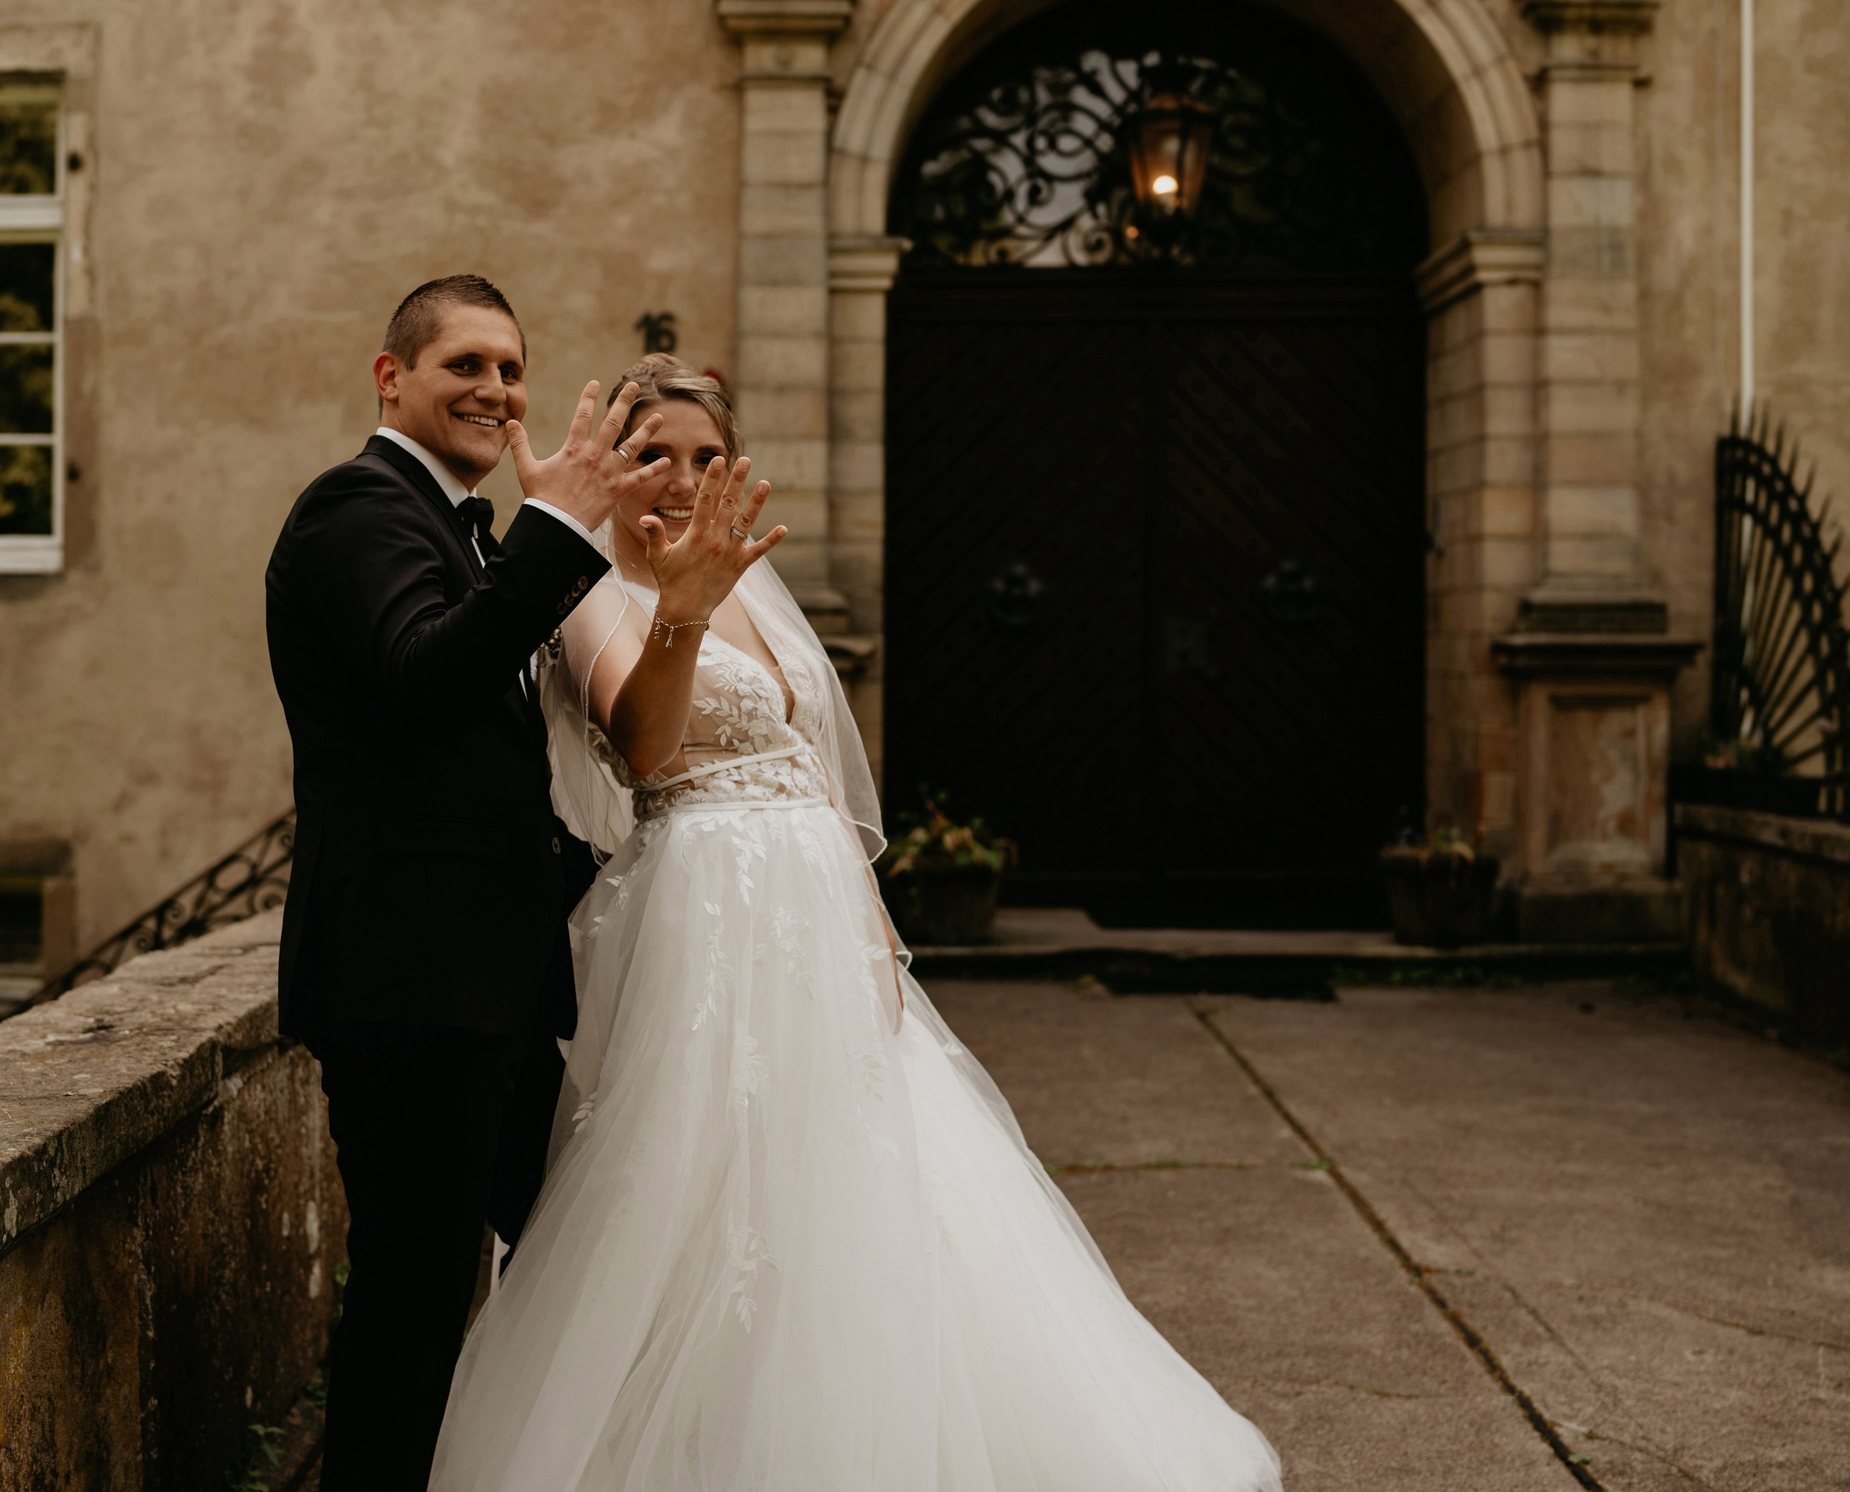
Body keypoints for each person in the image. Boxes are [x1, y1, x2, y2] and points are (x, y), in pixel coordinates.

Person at [430, 355, 1286, 1491]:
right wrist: (676, 611)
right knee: (705, 1170)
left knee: (866, 1166)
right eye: (651, 457)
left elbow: (810, 768)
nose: (679, 482)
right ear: (608, 464)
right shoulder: (586, 590)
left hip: (817, 913)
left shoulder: (743, 582)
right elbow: (644, 747)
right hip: (705, 907)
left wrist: (872, 929)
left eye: (703, 458)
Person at [263, 277, 674, 1492]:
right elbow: (422, 678)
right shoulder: (355, 507)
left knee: (554, 1260)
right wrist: (557, 530)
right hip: (410, 983)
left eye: (511, 368)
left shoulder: (462, 529)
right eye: (465, 366)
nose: (497, 390)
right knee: (414, 1299)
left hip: (483, 982)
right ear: (390, 378)